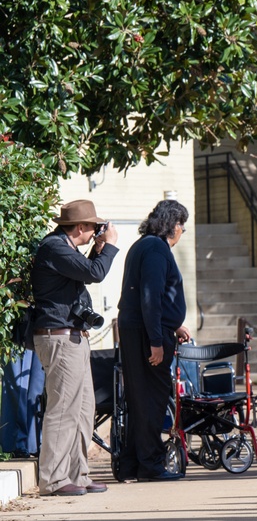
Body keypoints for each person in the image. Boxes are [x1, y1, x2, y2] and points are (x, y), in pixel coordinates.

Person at [31, 199, 119, 496]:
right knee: (63, 409)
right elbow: (95, 273)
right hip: (58, 337)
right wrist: (109, 245)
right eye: (93, 227)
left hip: (74, 336)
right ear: (81, 227)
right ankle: (53, 480)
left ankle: (77, 475)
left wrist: (97, 248)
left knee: (83, 409)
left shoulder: (65, 248)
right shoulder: (54, 247)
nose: (97, 231)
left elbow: (87, 270)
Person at [117, 199, 190, 482]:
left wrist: (175, 323)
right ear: (172, 225)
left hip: (141, 328)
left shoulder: (143, 245)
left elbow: (152, 297)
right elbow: (150, 297)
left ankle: (131, 465)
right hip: (148, 334)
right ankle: (150, 465)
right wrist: (157, 341)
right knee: (151, 400)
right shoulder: (158, 249)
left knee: (139, 399)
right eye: (182, 225)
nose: (182, 232)